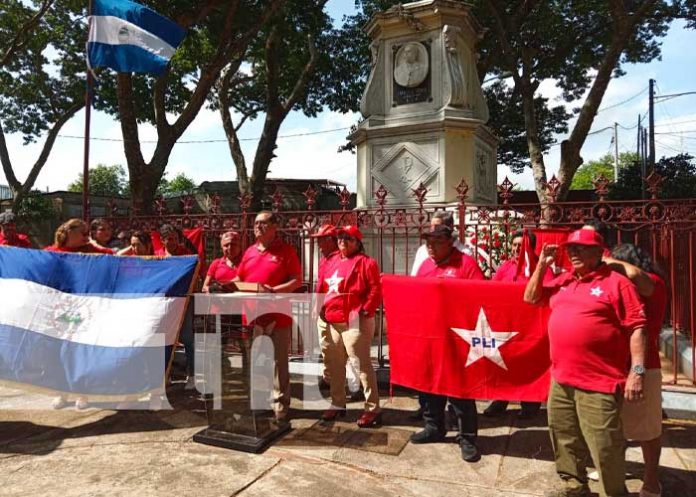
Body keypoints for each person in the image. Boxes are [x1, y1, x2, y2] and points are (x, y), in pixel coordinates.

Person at [524, 229, 648, 497]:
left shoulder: (617, 284)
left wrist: (637, 372)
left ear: (599, 252)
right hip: (561, 380)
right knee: (564, 439)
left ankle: (612, 493)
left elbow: (638, 328)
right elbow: (531, 297)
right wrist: (543, 265)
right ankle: (574, 488)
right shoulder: (564, 280)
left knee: (605, 447)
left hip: (600, 383)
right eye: (570, 248)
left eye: (580, 248)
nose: (573, 252)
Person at [409, 224, 485, 462]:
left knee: (460, 390)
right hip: (430, 336)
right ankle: (434, 427)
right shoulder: (425, 266)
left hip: (458, 339)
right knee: (430, 385)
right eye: (427, 243)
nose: (430, 247)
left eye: (436, 242)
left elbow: (481, 296)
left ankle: (467, 437)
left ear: (449, 242)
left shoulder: (466, 265)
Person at [606, 244, 667, 497]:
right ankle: (613, 470)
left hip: (644, 367)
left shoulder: (652, 282)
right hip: (613, 368)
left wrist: (605, 261)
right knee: (613, 426)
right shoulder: (621, 286)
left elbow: (635, 277)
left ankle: (651, 480)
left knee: (648, 430)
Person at [235, 211, 303, 423]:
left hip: (277, 317)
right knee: (257, 363)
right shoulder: (249, 252)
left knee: (277, 363)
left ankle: (280, 406)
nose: (258, 227)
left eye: (263, 223)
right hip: (253, 317)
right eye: (256, 223)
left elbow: (296, 280)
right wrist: (228, 285)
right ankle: (260, 403)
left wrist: (273, 292)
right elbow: (240, 278)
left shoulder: (286, 251)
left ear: (275, 226)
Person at [316, 225, 382, 427]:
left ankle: (372, 409)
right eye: (340, 237)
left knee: (361, 365)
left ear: (357, 242)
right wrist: (318, 308)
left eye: (348, 237)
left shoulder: (366, 263)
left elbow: (375, 288)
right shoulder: (330, 260)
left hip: (354, 319)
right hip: (332, 318)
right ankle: (337, 403)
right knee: (335, 364)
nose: (343, 240)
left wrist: (366, 309)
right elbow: (322, 286)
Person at [46, 218, 113, 410]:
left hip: (85, 310)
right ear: (68, 231)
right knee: (58, 352)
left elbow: (112, 259)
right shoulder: (51, 253)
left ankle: (83, 392)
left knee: (79, 352)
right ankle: (62, 392)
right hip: (58, 310)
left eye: (88, 232)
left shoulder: (94, 252)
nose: (87, 234)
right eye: (82, 231)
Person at [484, 229, 551, 419]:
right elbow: (493, 291)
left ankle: (530, 404)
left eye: (521, 246)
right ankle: (500, 400)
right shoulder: (505, 267)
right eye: (514, 245)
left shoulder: (542, 268)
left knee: (529, 365)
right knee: (504, 364)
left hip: (531, 327)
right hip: (507, 325)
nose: (516, 249)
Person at [411, 211, 471, 276]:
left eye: (437, 226)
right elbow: (414, 277)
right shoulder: (422, 251)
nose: (433, 229)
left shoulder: (465, 253)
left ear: (450, 227)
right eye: (431, 226)